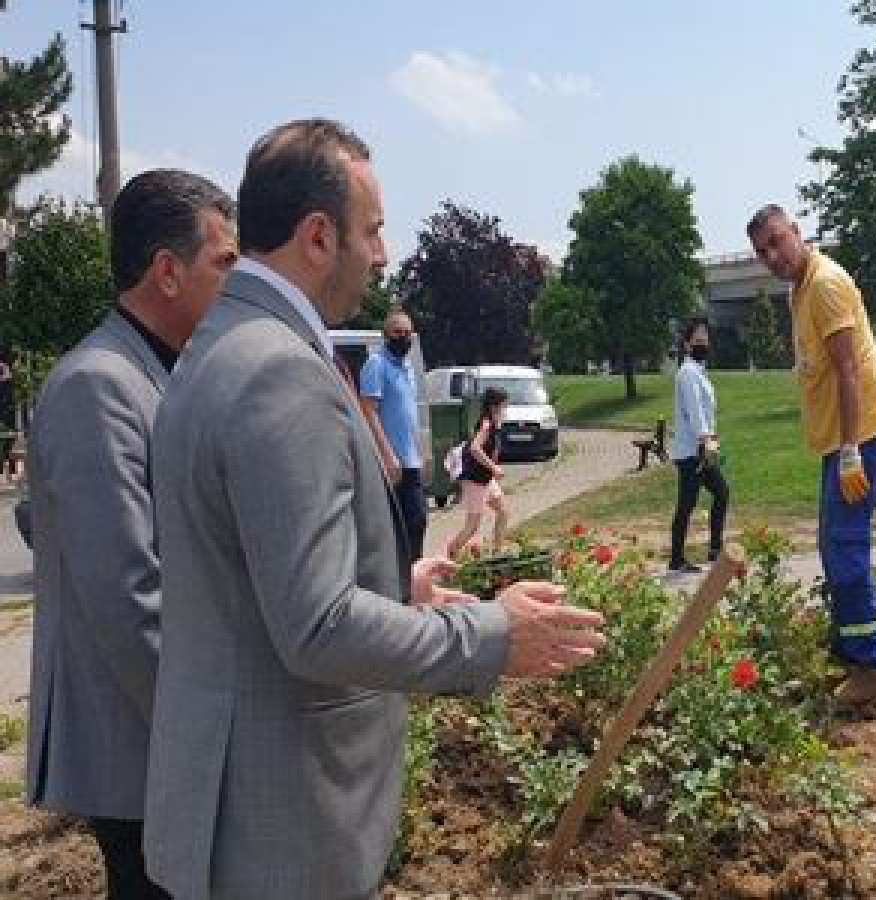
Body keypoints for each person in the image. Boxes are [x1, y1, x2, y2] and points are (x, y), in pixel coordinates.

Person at [143, 118, 606, 900]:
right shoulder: (278, 372)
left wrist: (392, 586)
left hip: (230, 807)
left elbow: (246, 579)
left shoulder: (218, 347)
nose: (383, 254)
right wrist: (491, 633)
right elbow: (316, 627)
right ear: (319, 236)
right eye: (375, 229)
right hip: (278, 827)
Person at [25, 169, 237, 900]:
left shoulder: (155, 372)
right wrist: (208, 739)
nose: (235, 284)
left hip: (162, 738)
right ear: (167, 272)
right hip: (140, 747)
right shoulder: (100, 386)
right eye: (224, 263)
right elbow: (129, 595)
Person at [747, 204, 876, 704]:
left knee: (844, 548)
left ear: (797, 231)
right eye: (762, 251)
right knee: (833, 545)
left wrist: (852, 450)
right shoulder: (802, 288)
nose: (772, 255)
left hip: (863, 439)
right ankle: (854, 649)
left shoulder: (826, 286)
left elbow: (848, 371)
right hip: (844, 441)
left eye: (777, 240)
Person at [359, 309, 427, 558]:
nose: (403, 337)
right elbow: (368, 411)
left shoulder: (407, 366)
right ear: (386, 335)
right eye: (398, 332)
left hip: (411, 461)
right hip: (392, 464)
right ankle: (403, 584)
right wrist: (387, 455)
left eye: (408, 333)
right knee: (402, 527)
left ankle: (414, 579)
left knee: (417, 522)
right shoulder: (376, 364)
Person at [668, 317, 729, 574]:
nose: (703, 343)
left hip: (702, 449)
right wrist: (706, 439)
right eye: (698, 340)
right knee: (687, 503)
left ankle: (715, 549)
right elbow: (694, 411)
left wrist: (710, 440)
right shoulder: (687, 374)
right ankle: (676, 559)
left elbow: (706, 411)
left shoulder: (699, 373)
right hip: (692, 452)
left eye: (706, 339)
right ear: (687, 344)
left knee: (721, 492)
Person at [446, 386, 510, 557]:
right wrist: (494, 467)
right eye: (504, 405)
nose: (506, 409)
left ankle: (498, 554)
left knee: (503, 512)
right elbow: (475, 448)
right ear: (494, 406)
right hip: (475, 480)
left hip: (486, 480)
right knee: (472, 526)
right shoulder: (486, 424)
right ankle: (451, 553)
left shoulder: (495, 424)